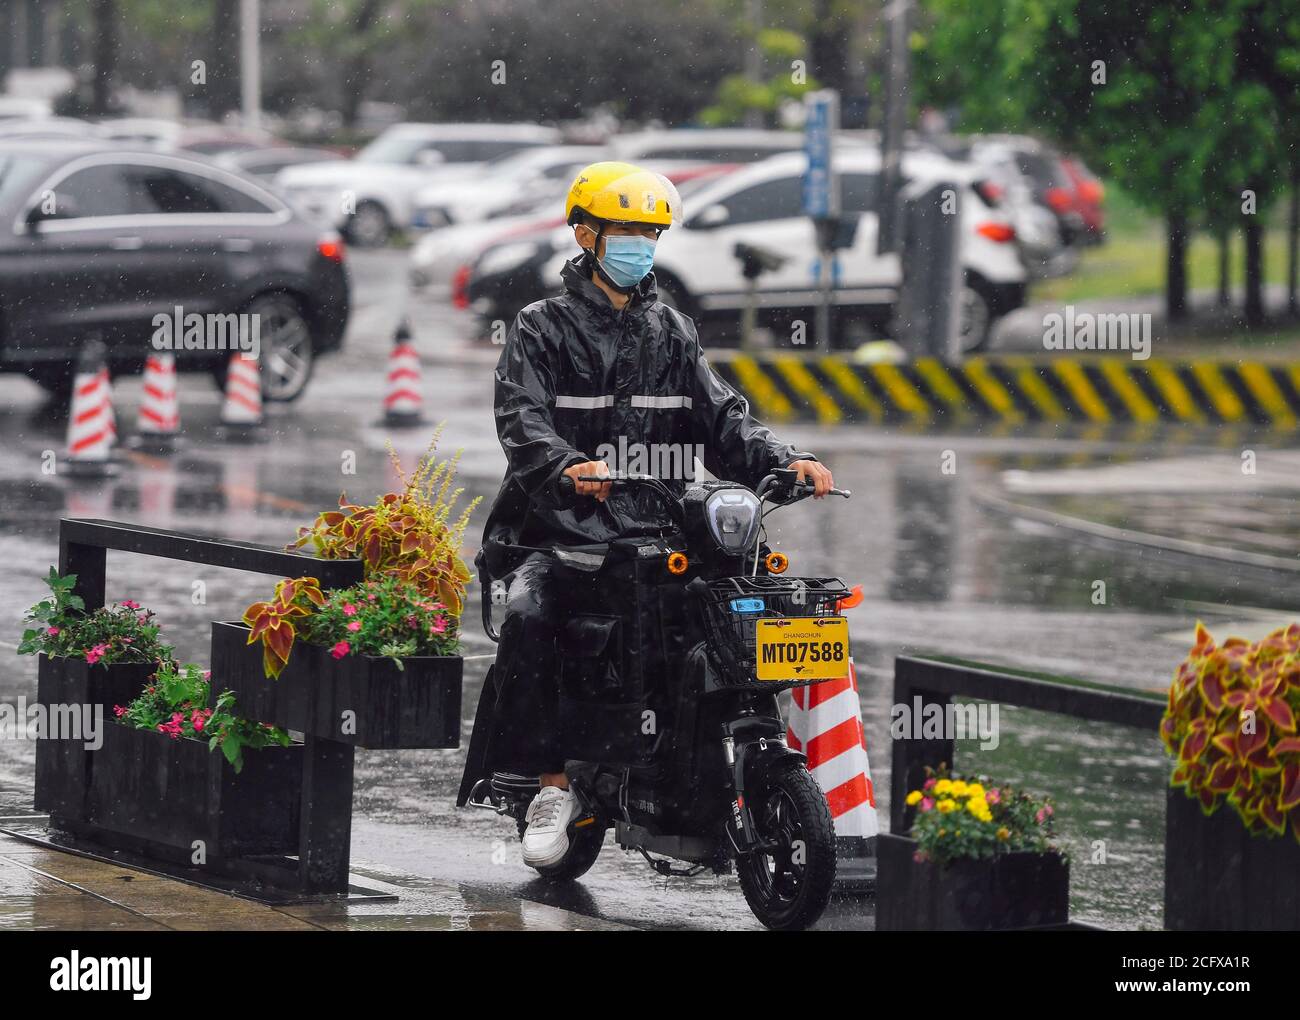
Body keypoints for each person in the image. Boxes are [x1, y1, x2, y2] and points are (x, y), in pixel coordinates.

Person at [475, 161, 833, 868]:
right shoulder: (539, 328)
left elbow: (723, 420)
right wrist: (565, 468)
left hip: (658, 527)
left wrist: (782, 460)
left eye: (650, 232)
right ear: (585, 234)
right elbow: (521, 418)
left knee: (732, 605)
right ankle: (550, 785)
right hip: (559, 528)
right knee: (533, 614)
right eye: (626, 231)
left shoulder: (672, 331)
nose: (640, 243)